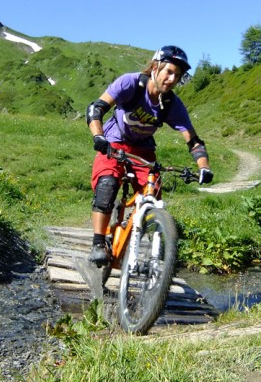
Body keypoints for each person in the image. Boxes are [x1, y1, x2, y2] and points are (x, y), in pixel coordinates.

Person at [86, 45, 213, 265]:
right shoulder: (130, 83)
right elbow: (96, 108)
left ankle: (149, 247)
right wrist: (99, 137)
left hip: (144, 151)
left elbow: (193, 140)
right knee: (107, 185)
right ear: (155, 67)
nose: (173, 79)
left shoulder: (172, 104)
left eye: (178, 76)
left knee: (153, 197)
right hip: (114, 143)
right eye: (169, 72)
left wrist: (204, 167)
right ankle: (98, 242)